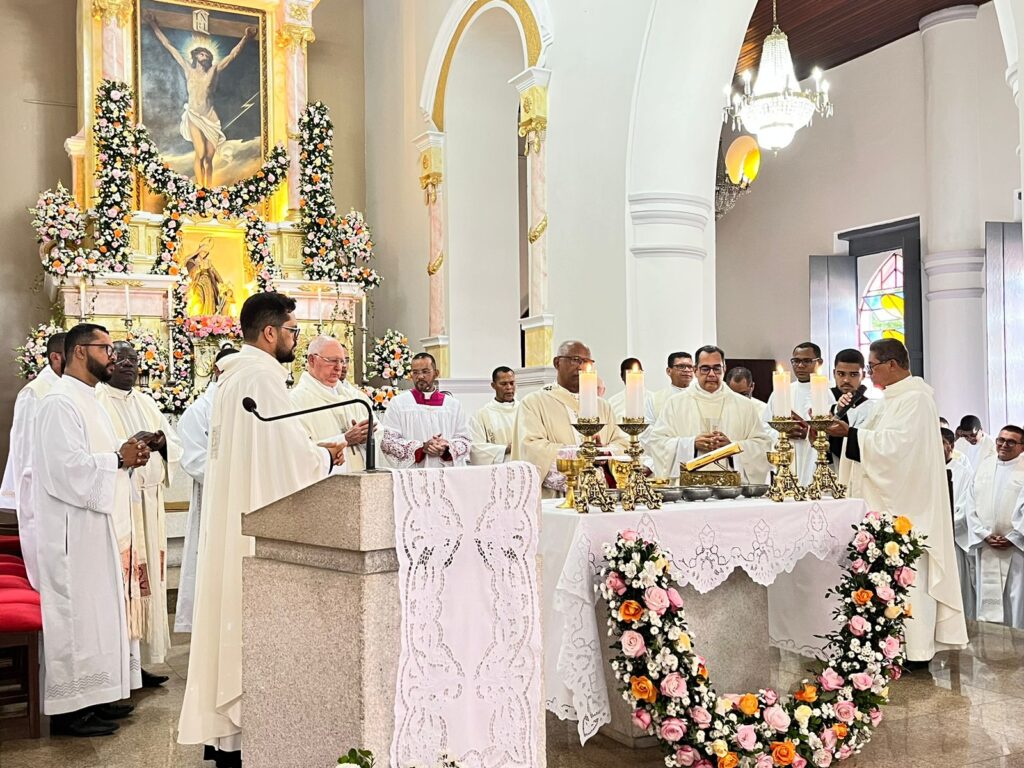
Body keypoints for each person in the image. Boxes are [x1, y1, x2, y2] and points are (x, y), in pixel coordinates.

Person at [178, 293, 345, 767]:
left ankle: (226, 736)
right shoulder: (260, 379)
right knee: (246, 623)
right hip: (256, 525)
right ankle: (240, 736)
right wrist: (327, 454)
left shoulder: (236, 378)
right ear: (270, 333)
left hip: (238, 515)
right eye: (292, 330)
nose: (296, 338)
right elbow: (288, 459)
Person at [33, 324, 151, 736]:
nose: (113, 356)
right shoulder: (58, 403)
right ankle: (69, 712)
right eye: (105, 348)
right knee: (75, 618)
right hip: (70, 532)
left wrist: (128, 458)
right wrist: (117, 460)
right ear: (80, 351)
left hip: (94, 525)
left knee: (98, 617)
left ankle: (96, 697)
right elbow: (65, 470)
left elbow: (100, 457)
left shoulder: (90, 400)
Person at [828, 339, 967, 664]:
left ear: (892, 364)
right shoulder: (891, 399)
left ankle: (915, 651)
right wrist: (847, 431)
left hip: (910, 507)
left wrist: (850, 434)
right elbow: (877, 441)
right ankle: (890, 647)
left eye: (873, 366)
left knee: (910, 577)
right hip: (892, 504)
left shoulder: (916, 399)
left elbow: (898, 449)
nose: (871, 373)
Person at [97, 341, 183, 679]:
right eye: (121, 359)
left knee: (151, 585)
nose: (130, 365)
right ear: (108, 363)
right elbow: (105, 450)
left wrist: (161, 442)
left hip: (150, 504)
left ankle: (140, 662)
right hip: (124, 507)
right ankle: (123, 664)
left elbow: (174, 445)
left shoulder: (147, 401)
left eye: (135, 359)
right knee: (127, 585)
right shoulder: (98, 400)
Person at [145, 12, 255, 187]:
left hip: (210, 116)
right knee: (201, 153)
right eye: (202, 54)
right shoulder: (188, 70)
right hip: (194, 116)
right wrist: (153, 26)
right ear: (196, 56)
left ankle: (208, 190)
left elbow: (233, 55)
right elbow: (169, 46)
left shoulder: (214, 71)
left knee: (209, 158)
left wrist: (246, 37)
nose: (205, 56)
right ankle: (199, 191)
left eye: (207, 55)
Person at [175, 345, 238, 633]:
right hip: (215, 501)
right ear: (217, 371)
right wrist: (233, 473)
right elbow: (192, 458)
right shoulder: (199, 412)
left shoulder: (247, 403)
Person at [513, 340, 629, 497]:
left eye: (587, 362)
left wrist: (604, 453)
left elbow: (622, 444)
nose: (581, 367)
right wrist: (581, 455)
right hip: (555, 500)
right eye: (575, 360)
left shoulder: (603, 406)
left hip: (602, 496)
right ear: (557, 363)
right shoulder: (534, 402)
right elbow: (532, 449)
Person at [648, 345, 772, 483]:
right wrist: (691, 444)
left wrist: (732, 447)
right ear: (695, 370)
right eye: (705, 369)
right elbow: (657, 443)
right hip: (689, 490)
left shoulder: (744, 405)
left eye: (717, 368)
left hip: (733, 490)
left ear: (724, 369)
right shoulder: (675, 404)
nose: (712, 374)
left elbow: (762, 446)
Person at [0, 331, 64, 588]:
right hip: (41, 498)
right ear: (56, 358)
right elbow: (25, 451)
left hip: (65, 497)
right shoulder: (35, 393)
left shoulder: (72, 389)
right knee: (49, 581)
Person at [967, 425, 1024, 628]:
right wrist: (983, 534)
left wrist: (1015, 537)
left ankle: (1018, 653)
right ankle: (991, 650)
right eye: (1001, 439)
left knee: (1016, 603)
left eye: (1011, 441)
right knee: (989, 605)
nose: (1003, 445)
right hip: (988, 546)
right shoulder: (985, 466)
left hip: (1017, 551)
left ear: (1022, 446)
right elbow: (970, 503)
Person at [290, 336, 373, 472]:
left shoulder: (353, 397)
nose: (339, 367)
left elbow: (377, 434)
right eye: (332, 361)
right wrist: (344, 439)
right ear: (312, 360)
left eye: (342, 361)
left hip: (360, 479)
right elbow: (296, 451)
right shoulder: (296, 401)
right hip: (324, 485)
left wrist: (366, 437)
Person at [380, 353, 471, 469]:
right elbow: (388, 442)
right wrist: (421, 447)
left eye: (425, 371)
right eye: (415, 372)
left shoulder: (453, 405)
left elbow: (465, 440)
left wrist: (447, 447)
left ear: (436, 373)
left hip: (446, 473)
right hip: (413, 473)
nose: (420, 376)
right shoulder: (399, 403)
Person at [763, 342, 834, 485]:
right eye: (796, 361)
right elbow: (765, 427)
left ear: (819, 362)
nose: (800, 366)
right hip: (787, 455)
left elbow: (833, 430)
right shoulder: (780, 391)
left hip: (813, 457)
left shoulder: (827, 393)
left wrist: (808, 432)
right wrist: (783, 433)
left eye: (806, 361)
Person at [942, 427, 977, 621]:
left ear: (951, 446)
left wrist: (942, 527)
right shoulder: (925, 470)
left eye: (940, 444)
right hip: (931, 540)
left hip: (952, 541)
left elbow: (965, 509)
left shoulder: (963, 473)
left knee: (957, 591)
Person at [828, 348, 879, 461]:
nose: (846, 380)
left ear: (864, 375)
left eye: (853, 374)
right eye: (841, 374)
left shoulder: (871, 408)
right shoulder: (823, 399)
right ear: (833, 373)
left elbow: (868, 447)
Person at [469, 366, 519, 465]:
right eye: (503, 384)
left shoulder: (525, 410)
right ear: (493, 385)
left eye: (512, 383)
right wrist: (504, 449)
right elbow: (475, 449)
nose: (509, 387)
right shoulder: (482, 415)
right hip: (497, 471)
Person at [607, 357, 656, 423]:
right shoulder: (612, 403)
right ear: (622, 376)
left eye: (638, 373)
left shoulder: (654, 399)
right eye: (630, 373)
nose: (635, 378)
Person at [651, 351, 694, 418]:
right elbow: (649, 425)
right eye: (681, 366)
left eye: (690, 367)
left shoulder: (702, 397)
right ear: (669, 371)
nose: (687, 370)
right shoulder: (654, 399)